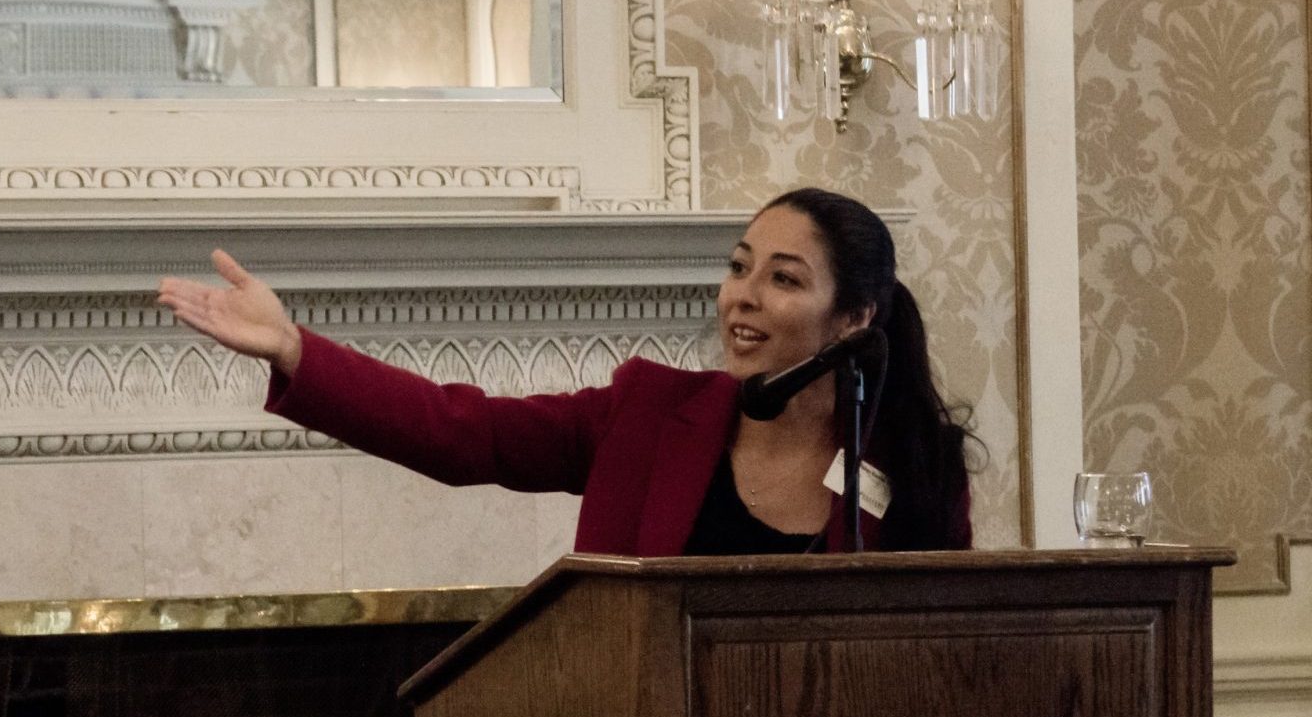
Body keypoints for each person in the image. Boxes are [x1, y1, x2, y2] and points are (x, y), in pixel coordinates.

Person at [158, 188, 974, 554]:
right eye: (739, 267)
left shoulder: (912, 462)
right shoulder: (650, 414)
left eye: (784, 279)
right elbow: (462, 433)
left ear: (857, 317)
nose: (742, 299)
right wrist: (297, 349)